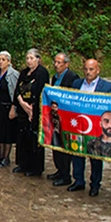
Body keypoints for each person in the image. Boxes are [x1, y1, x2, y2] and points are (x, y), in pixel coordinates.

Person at [68, 59, 111, 195]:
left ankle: (95, 184)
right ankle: (78, 181)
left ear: (98, 70)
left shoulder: (107, 87)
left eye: (91, 69)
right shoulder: (76, 84)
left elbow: (110, 107)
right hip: (79, 126)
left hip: (96, 128)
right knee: (77, 153)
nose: (88, 72)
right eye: (86, 69)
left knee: (95, 158)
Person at [11, 49, 50, 176]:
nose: (29, 61)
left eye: (31, 58)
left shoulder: (42, 73)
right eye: (27, 58)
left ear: (38, 59)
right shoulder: (24, 73)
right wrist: (21, 103)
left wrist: (31, 109)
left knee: (33, 138)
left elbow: (40, 91)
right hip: (23, 108)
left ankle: (35, 167)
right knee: (22, 137)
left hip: (36, 110)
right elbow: (17, 90)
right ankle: (22, 164)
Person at [47, 52, 79, 186]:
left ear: (66, 64)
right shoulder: (54, 78)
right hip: (56, 117)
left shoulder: (72, 77)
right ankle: (59, 169)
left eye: (59, 62)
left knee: (65, 146)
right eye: (55, 62)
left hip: (66, 117)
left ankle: (66, 175)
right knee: (55, 144)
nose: (56, 65)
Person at [0, 51, 19, 167]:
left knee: (7, 134)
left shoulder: (13, 74)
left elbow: (16, 92)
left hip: (7, 107)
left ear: (9, 61)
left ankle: (6, 157)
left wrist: (13, 107)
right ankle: (0, 155)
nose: (1, 62)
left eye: (3, 60)